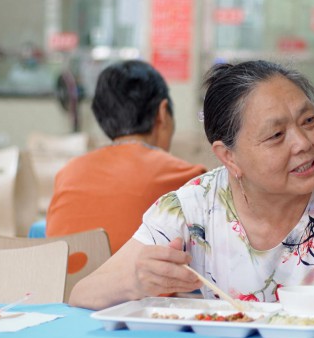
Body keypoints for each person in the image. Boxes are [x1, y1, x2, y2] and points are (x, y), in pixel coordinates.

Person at [69, 60, 314, 317]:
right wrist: (136, 280)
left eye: (308, 120)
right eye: (276, 136)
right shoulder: (192, 206)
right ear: (229, 156)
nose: (303, 143)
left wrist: (256, 312)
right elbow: (82, 293)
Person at [46, 60, 207, 254]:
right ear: (163, 113)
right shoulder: (188, 179)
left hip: (66, 283)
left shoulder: (68, 173)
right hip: (135, 284)